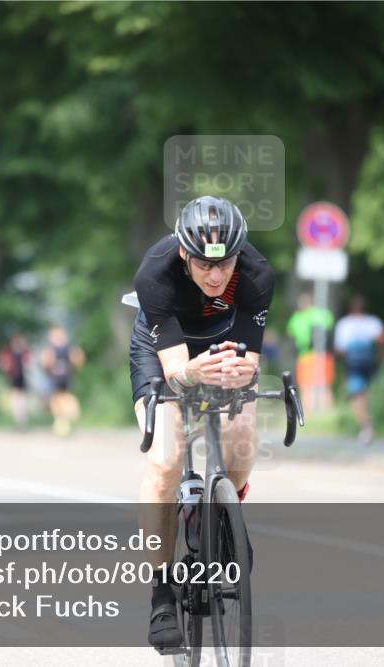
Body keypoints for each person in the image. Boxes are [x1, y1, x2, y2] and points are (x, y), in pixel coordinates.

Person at [130, 195, 273, 649]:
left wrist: (238, 373)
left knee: (244, 433)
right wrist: (194, 374)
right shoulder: (155, 274)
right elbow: (176, 370)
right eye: (205, 266)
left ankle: (226, 522)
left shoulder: (256, 274)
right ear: (185, 254)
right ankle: (161, 597)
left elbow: (250, 361)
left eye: (225, 263)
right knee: (166, 463)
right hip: (163, 353)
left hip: (222, 343)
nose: (216, 276)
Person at [333, 294, 384, 446]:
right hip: (370, 361)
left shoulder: (345, 324)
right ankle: (368, 423)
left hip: (354, 363)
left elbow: (340, 349)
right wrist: (380, 355)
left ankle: (366, 426)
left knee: (357, 395)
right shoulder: (372, 322)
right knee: (366, 393)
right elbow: (383, 338)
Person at [286, 293, 335, 413]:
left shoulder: (297, 317)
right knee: (324, 385)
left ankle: (308, 412)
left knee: (306, 386)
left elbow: (291, 334)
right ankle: (328, 413)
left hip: (306, 355)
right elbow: (330, 326)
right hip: (323, 354)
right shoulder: (322, 313)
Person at [41, 326, 85, 436]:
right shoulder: (68, 347)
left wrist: (48, 369)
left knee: (57, 398)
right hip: (64, 375)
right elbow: (78, 359)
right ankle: (63, 419)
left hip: (59, 376)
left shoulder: (57, 348)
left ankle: (64, 418)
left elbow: (46, 361)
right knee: (60, 397)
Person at [0, 332, 31, 428]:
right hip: (14, 377)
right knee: (16, 399)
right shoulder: (9, 352)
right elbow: (2, 362)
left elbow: (28, 363)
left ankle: (22, 421)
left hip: (22, 378)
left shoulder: (25, 352)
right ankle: (18, 420)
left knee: (21, 399)